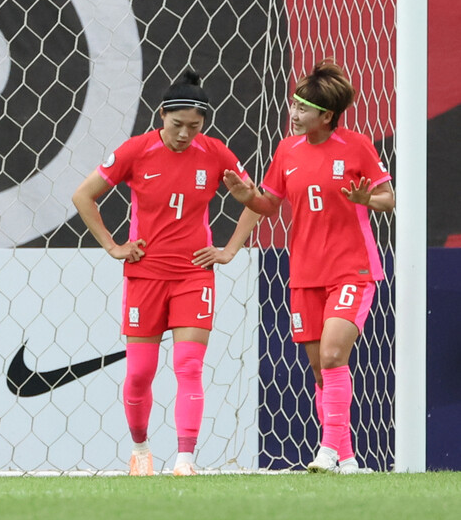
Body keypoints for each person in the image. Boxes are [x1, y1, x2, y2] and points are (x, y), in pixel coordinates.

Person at [72, 70, 251, 476]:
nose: (185, 134)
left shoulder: (217, 154)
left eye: (195, 126)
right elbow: (83, 196)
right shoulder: (136, 150)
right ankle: (140, 452)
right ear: (161, 116)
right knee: (139, 372)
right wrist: (114, 247)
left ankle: (185, 460)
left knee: (188, 366)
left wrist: (228, 250)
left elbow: (256, 200)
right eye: (177, 125)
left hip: (194, 275)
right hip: (145, 275)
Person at [222, 59, 395, 473]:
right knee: (322, 370)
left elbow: (388, 198)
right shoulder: (286, 150)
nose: (294, 114)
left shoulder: (356, 147)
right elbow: (268, 205)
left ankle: (327, 451)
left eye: (303, 109)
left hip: (352, 268)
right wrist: (244, 194)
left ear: (327, 116)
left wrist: (364, 200)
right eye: (294, 105)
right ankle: (349, 458)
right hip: (304, 273)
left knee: (335, 353)